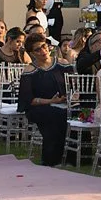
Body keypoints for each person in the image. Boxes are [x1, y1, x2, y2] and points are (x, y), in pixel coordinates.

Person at [18, 32, 69, 167]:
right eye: (38, 49)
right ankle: (50, 159)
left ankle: (72, 158)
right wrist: (51, 101)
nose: (43, 51)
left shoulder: (63, 64)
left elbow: (73, 85)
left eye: (44, 46)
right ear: (32, 53)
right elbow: (28, 100)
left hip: (64, 103)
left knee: (74, 114)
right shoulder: (30, 70)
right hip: (39, 107)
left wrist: (72, 96)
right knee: (54, 115)